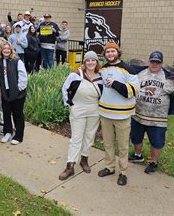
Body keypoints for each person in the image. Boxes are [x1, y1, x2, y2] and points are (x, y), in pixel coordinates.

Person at [128, 51, 174, 174]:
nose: (154, 64)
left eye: (157, 62)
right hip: (138, 115)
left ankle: (153, 162)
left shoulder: (168, 78)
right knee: (136, 137)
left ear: (161, 63)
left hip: (158, 118)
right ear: (148, 61)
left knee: (156, 141)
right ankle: (137, 155)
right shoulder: (139, 73)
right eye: (152, 61)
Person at [97, 41, 140, 186]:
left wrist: (115, 83)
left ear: (118, 52)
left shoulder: (129, 69)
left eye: (112, 51)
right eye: (107, 52)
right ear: (104, 55)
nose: (110, 54)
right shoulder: (102, 69)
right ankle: (109, 167)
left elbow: (134, 91)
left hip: (122, 115)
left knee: (122, 146)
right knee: (108, 144)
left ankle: (123, 172)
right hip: (105, 113)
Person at [59, 51, 103, 180]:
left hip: (94, 110)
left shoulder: (101, 77)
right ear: (84, 62)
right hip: (78, 109)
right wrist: (70, 105)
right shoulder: (76, 75)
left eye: (93, 60)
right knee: (76, 139)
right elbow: (65, 89)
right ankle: (70, 166)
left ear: (97, 62)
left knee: (89, 137)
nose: (90, 62)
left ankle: (84, 159)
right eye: (88, 60)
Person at [0, 43, 28, 145]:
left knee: (17, 114)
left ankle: (19, 136)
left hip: (17, 92)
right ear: (1, 50)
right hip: (5, 92)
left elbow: (23, 77)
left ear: (11, 50)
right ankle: (7, 132)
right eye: (4, 48)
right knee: (6, 112)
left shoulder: (16, 61)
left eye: (8, 49)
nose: (6, 50)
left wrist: (19, 89)